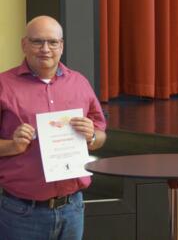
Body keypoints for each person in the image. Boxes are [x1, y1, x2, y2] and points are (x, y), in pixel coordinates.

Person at [0, 16, 107, 239]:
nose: (45, 49)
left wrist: (91, 137)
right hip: (21, 213)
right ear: (24, 44)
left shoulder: (79, 83)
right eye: (37, 42)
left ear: (62, 45)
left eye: (52, 42)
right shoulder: (4, 85)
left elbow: (100, 136)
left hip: (72, 208)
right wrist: (13, 145)